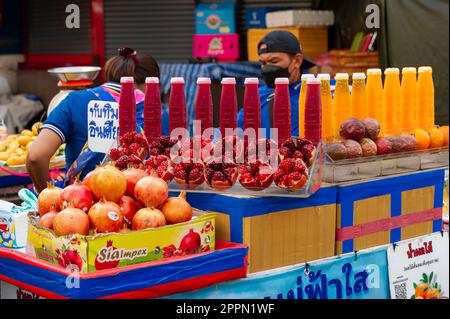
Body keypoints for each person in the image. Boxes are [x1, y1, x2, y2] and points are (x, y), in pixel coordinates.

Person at [27, 48, 169, 193]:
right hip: (146, 210)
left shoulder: (75, 101)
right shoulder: (162, 115)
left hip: (81, 208)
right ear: (150, 83)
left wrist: (45, 196)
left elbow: (35, 157)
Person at [237, 30, 315, 137]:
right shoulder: (258, 95)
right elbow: (234, 129)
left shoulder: (319, 93)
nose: (267, 68)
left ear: (297, 61)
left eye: (274, 61)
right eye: (263, 63)